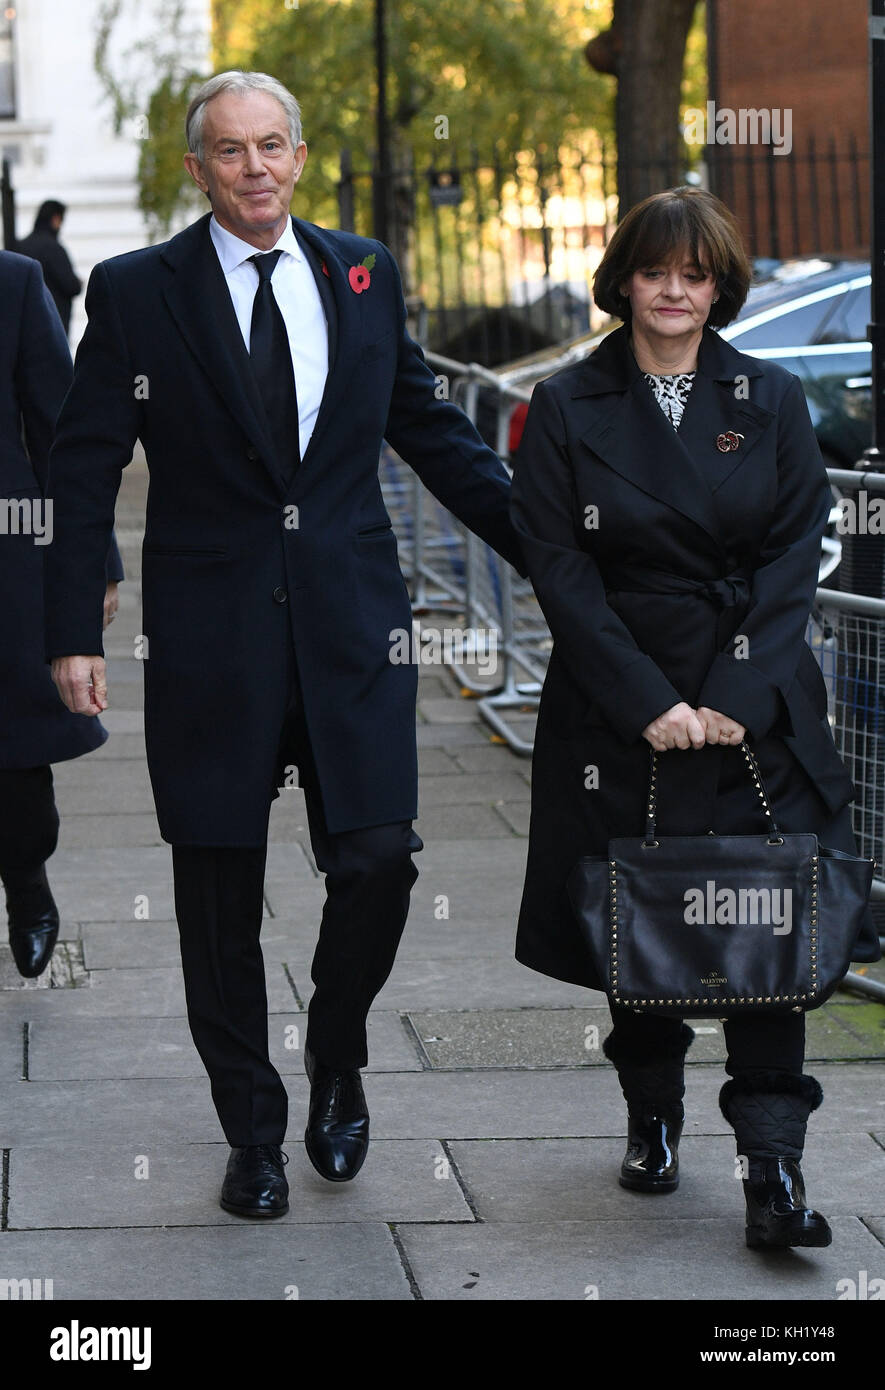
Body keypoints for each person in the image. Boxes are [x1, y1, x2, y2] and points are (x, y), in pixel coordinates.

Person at [44, 70, 525, 1220]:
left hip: (353, 625)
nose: (254, 168)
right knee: (218, 890)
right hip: (212, 635)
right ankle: (251, 1134)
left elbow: (428, 428)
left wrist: (552, 543)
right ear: (197, 168)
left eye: (272, 146)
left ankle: (339, 1050)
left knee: (379, 859)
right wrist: (71, 626)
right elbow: (82, 463)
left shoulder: (360, 270)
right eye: (229, 150)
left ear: (300, 155)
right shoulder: (136, 291)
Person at [510, 186, 880, 1250]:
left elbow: (793, 553)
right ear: (623, 278)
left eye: (697, 273)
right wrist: (650, 703)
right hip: (620, 706)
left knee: (772, 929)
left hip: (755, 708)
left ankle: (774, 1170)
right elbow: (559, 565)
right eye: (657, 270)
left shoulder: (768, 396)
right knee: (649, 930)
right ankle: (654, 1122)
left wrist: (728, 695)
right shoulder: (568, 403)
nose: (676, 290)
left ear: (720, 286)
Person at [0, 249, 121, 978]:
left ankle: (25, 878)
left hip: (7, 551)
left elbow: (62, 435)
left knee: (14, 764)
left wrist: (96, 563)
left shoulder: (13, 282)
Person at [16, 201, 83, 337]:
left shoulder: (20, 246)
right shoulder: (54, 248)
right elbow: (71, 285)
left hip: (24, 326)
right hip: (53, 325)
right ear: (56, 218)